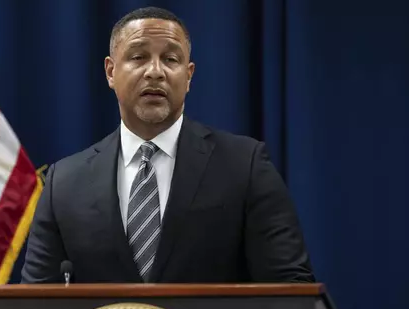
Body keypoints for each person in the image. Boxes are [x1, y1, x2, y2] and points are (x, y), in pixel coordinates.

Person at [20, 6, 315, 284]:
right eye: (138, 57)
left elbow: (291, 290)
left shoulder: (244, 165)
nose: (155, 72)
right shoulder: (64, 182)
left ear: (188, 76)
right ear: (111, 72)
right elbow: (34, 306)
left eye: (171, 60)